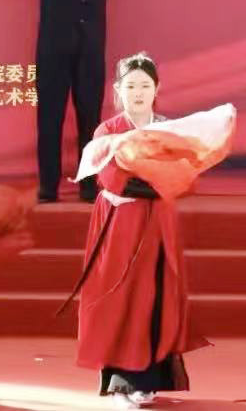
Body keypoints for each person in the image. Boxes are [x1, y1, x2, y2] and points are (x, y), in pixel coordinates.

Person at [13, 0, 217, 203]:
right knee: (49, 120)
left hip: (90, 46)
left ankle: (88, 186)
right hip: (52, 47)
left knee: (89, 120)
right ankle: (48, 189)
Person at [70, 53, 210, 410]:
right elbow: (110, 178)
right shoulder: (107, 131)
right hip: (120, 221)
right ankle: (120, 382)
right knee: (120, 295)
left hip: (159, 221)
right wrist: (157, 182)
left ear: (156, 89)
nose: (138, 92)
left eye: (145, 85)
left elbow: (185, 173)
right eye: (130, 85)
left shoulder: (169, 129)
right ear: (118, 90)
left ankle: (149, 380)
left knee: (155, 292)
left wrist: (166, 181)